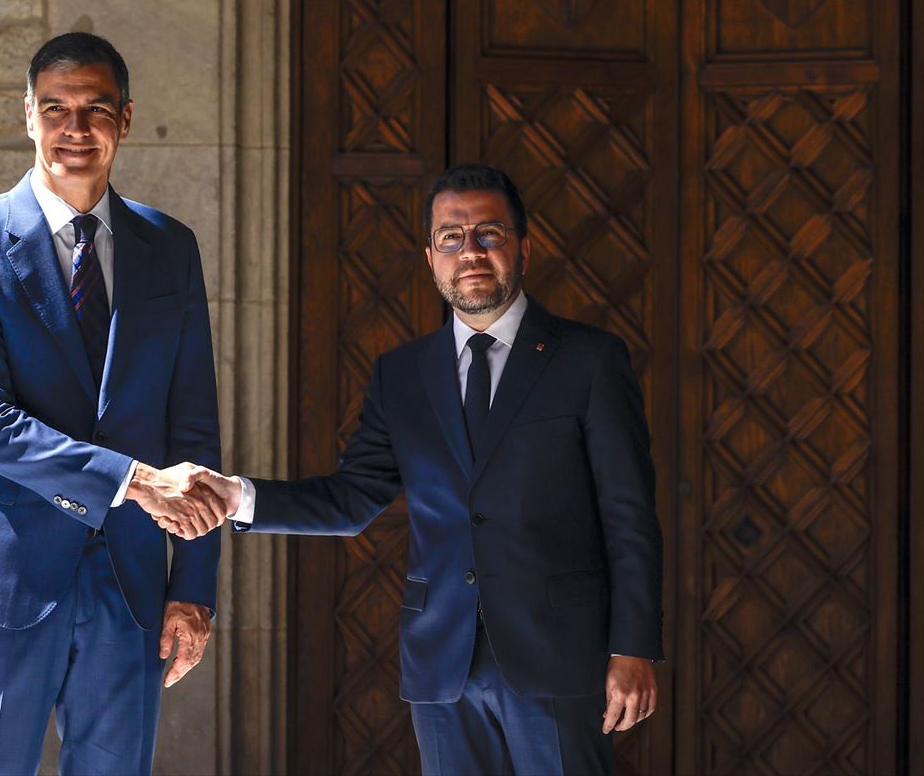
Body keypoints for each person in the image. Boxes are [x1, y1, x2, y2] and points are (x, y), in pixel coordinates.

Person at [150, 164, 664, 775]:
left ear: (524, 247)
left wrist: (633, 646)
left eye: (489, 234)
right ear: (430, 256)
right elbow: (351, 499)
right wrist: (235, 496)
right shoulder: (402, 375)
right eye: (451, 237)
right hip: (441, 664)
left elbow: (628, 516)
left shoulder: (590, 361)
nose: (469, 251)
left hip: (559, 657)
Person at [0, 32, 225, 775]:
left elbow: (194, 424)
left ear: (125, 117)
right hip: (2, 572)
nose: (74, 129)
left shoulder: (170, 247)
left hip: (129, 581)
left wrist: (193, 586)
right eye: (55, 108)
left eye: (94, 109)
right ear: (28, 116)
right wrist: (137, 480)